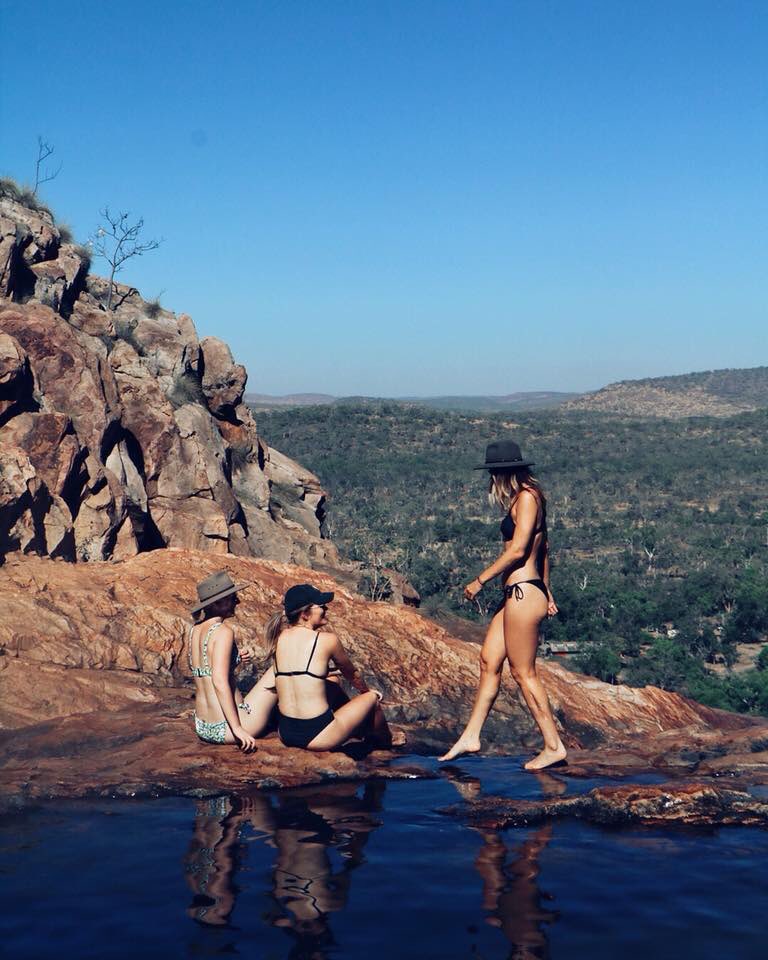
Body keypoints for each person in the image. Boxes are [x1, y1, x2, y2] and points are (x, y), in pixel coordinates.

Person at [439, 440, 567, 770]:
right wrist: (548, 591)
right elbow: (545, 548)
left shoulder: (527, 498)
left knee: (523, 673)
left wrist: (480, 580)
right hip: (518, 593)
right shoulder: (524, 498)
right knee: (488, 660)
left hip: (523, 593)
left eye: (493, 473)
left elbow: (519, 549)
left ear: (502, 473)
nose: (490, 479)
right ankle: (471, 736)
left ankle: (553, 746)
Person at [267, 583, 392, 750]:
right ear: (305, 614)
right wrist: (366, 695)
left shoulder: (279, 637)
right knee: (372, 699)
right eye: (321, 606)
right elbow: (352, 674)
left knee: (333, 680)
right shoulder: (327, 640)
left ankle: (354, 729)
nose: (326, 609)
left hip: (286, 732)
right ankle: (385, 742)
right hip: (318, 734)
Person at [188, 570, 277, 751]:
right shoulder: (223, 632)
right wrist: (237, 729)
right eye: (233, 598)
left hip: (203, 727)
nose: (238, 602)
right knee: (279, 669)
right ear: (217, 603)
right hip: (228, 728)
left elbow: (205, 669)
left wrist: (234, 660)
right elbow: (219, 681)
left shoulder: (195, 630)